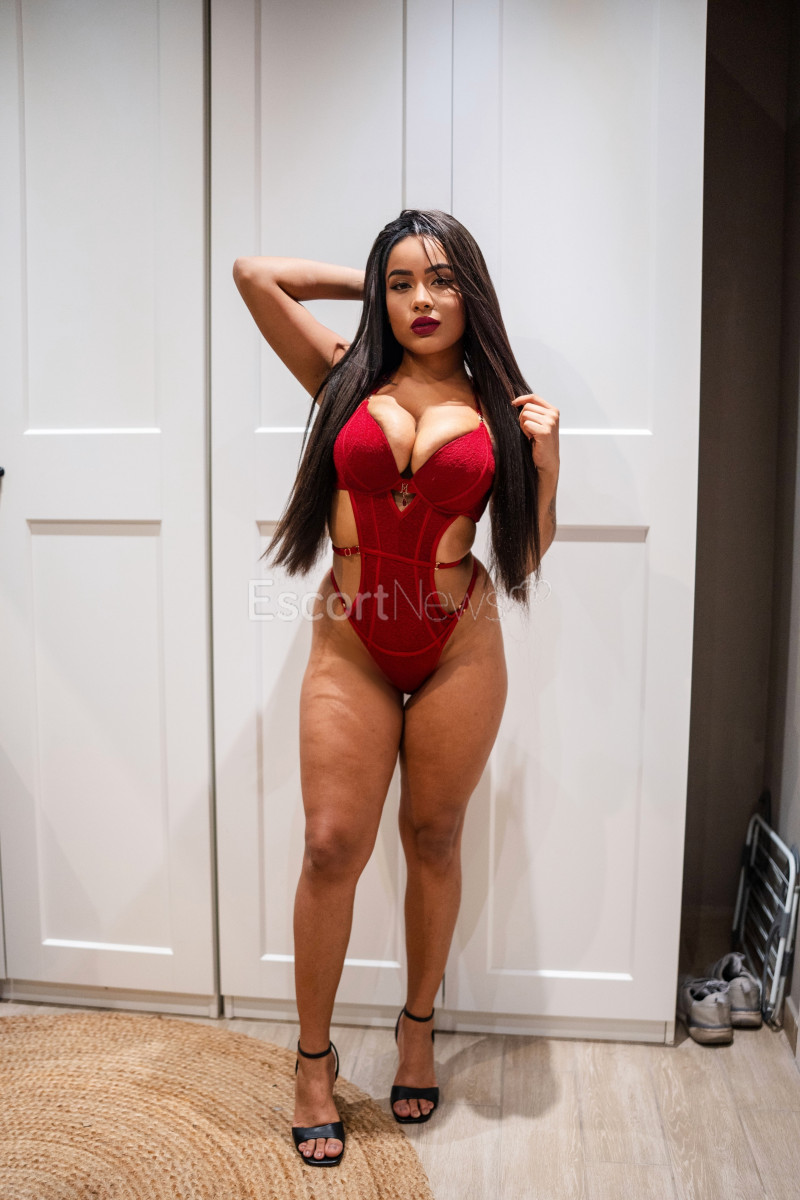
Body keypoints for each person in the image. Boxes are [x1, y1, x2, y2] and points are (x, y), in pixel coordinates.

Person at [233, 209, 560, 1167]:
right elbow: (255, 275)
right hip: (354, 645)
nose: (423, 300)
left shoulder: (503, 407)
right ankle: (314, 1062)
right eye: (405, 282)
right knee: (331, 844)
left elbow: (525, 556)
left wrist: (547, 465)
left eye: (445, 280)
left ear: (474, 293)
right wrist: (373, 276)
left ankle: (419, 1028)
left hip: (460, 645)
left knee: (435, 837)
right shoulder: (345, 374)